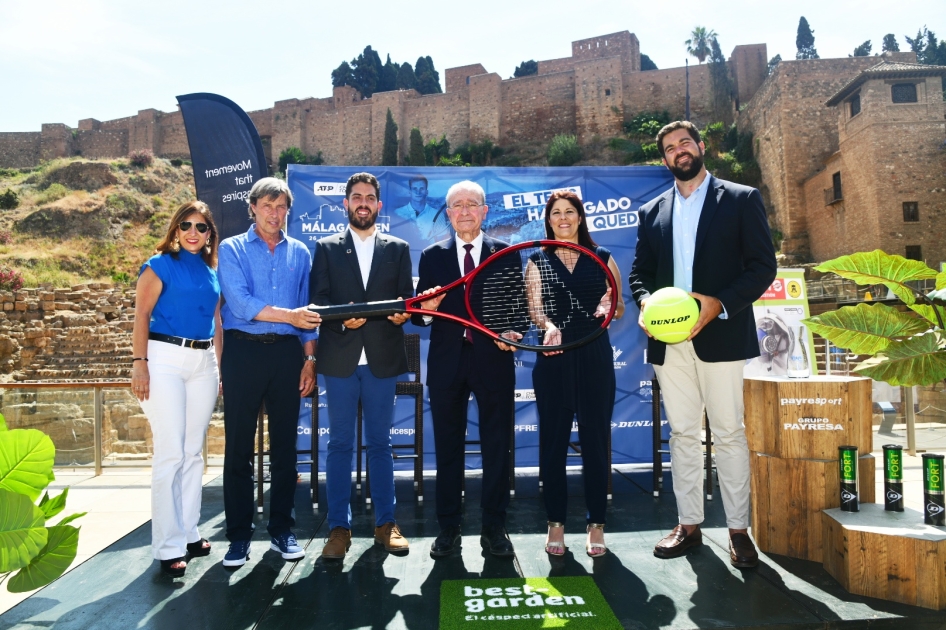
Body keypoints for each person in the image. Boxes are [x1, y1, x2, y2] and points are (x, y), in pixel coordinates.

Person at [628, 121, 777, 568]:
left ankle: (738, 531)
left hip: (723, 335)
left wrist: (719, 303)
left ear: (700, 146)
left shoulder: (740, 198)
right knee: (683, 435)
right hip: (669, 344)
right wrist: (644, 304)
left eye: (685, 143)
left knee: (730, 433)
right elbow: (640, 274)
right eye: (670, 148)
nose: (679, 151)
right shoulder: (652, 211)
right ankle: (689, 525)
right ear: (664, 159)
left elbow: (762, 267)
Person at [413, 180, 524, 559]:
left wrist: (513, 330)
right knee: (447, 448)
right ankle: (449, 528)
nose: (464, 211)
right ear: (448, 213)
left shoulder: (505, 254)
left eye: (471, 204)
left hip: (492, 360)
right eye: (456, 205)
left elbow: (517, 310)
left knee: (496, 446)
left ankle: (494, 527)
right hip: (447, 364)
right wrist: (427, 310)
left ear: (484, 211)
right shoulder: (431, 257)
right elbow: (420, 318)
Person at [217, 177, 321, 568]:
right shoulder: (232, 248)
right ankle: (239, 537)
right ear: (253, 208)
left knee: (285, 450)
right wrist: (290, 316)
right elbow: (241, 304)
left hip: (287, 357)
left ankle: (281, 529)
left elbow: (307, 314)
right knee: (239, 449)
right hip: (243, 352)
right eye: (267, 206)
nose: (274, 214)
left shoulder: (300, 253)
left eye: (281, 208)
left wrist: (310, 359)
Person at [310, 172, 414, 560]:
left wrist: (404, 314)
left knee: (380, 444)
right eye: (357, 197)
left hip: (382, 361)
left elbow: (407, 298)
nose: (363, 203)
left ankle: (386, 524)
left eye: (370, 197)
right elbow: (317, 302)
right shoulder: (326, 247)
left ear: (379, 205)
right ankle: (339, 528)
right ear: (346, 204)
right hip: (339, 359)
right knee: (339, 445)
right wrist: (338, 319)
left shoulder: (398, 248)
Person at [525, 191, 624, 558]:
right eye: (556, 213)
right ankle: (555, 522)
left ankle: (596, 524)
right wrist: (547, 326)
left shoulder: (602, 258)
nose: (563, 218)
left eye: (570, 212)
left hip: (595, 358)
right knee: (552, 446)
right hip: (553, 361)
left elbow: (620, 307)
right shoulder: (536, 260)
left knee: (596, 445)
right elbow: (535, 309)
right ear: (548, 219)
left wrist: (607, 304)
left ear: (580, 218)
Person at [131, 200, 222, 577]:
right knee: (170, 454)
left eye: (201, 228)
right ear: (175, 228)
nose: (193, 233)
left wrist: (218, 369)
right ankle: (167, 546)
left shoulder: (211, 270)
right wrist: (140, 364)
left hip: (203, 362)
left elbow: (217, 322)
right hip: (163, 357)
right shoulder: (158, 266)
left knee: (192, 453)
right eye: (186, 225)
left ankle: (187, 531)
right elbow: (140, 315)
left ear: (209, 235)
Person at [392, 175, 449, 242]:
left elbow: (443, 241)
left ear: (426, 192)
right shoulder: (398, 213)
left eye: (421, 188)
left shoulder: (437, 215)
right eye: (414, 189)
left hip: (429, 252)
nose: (418, 192)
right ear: (410, 191)